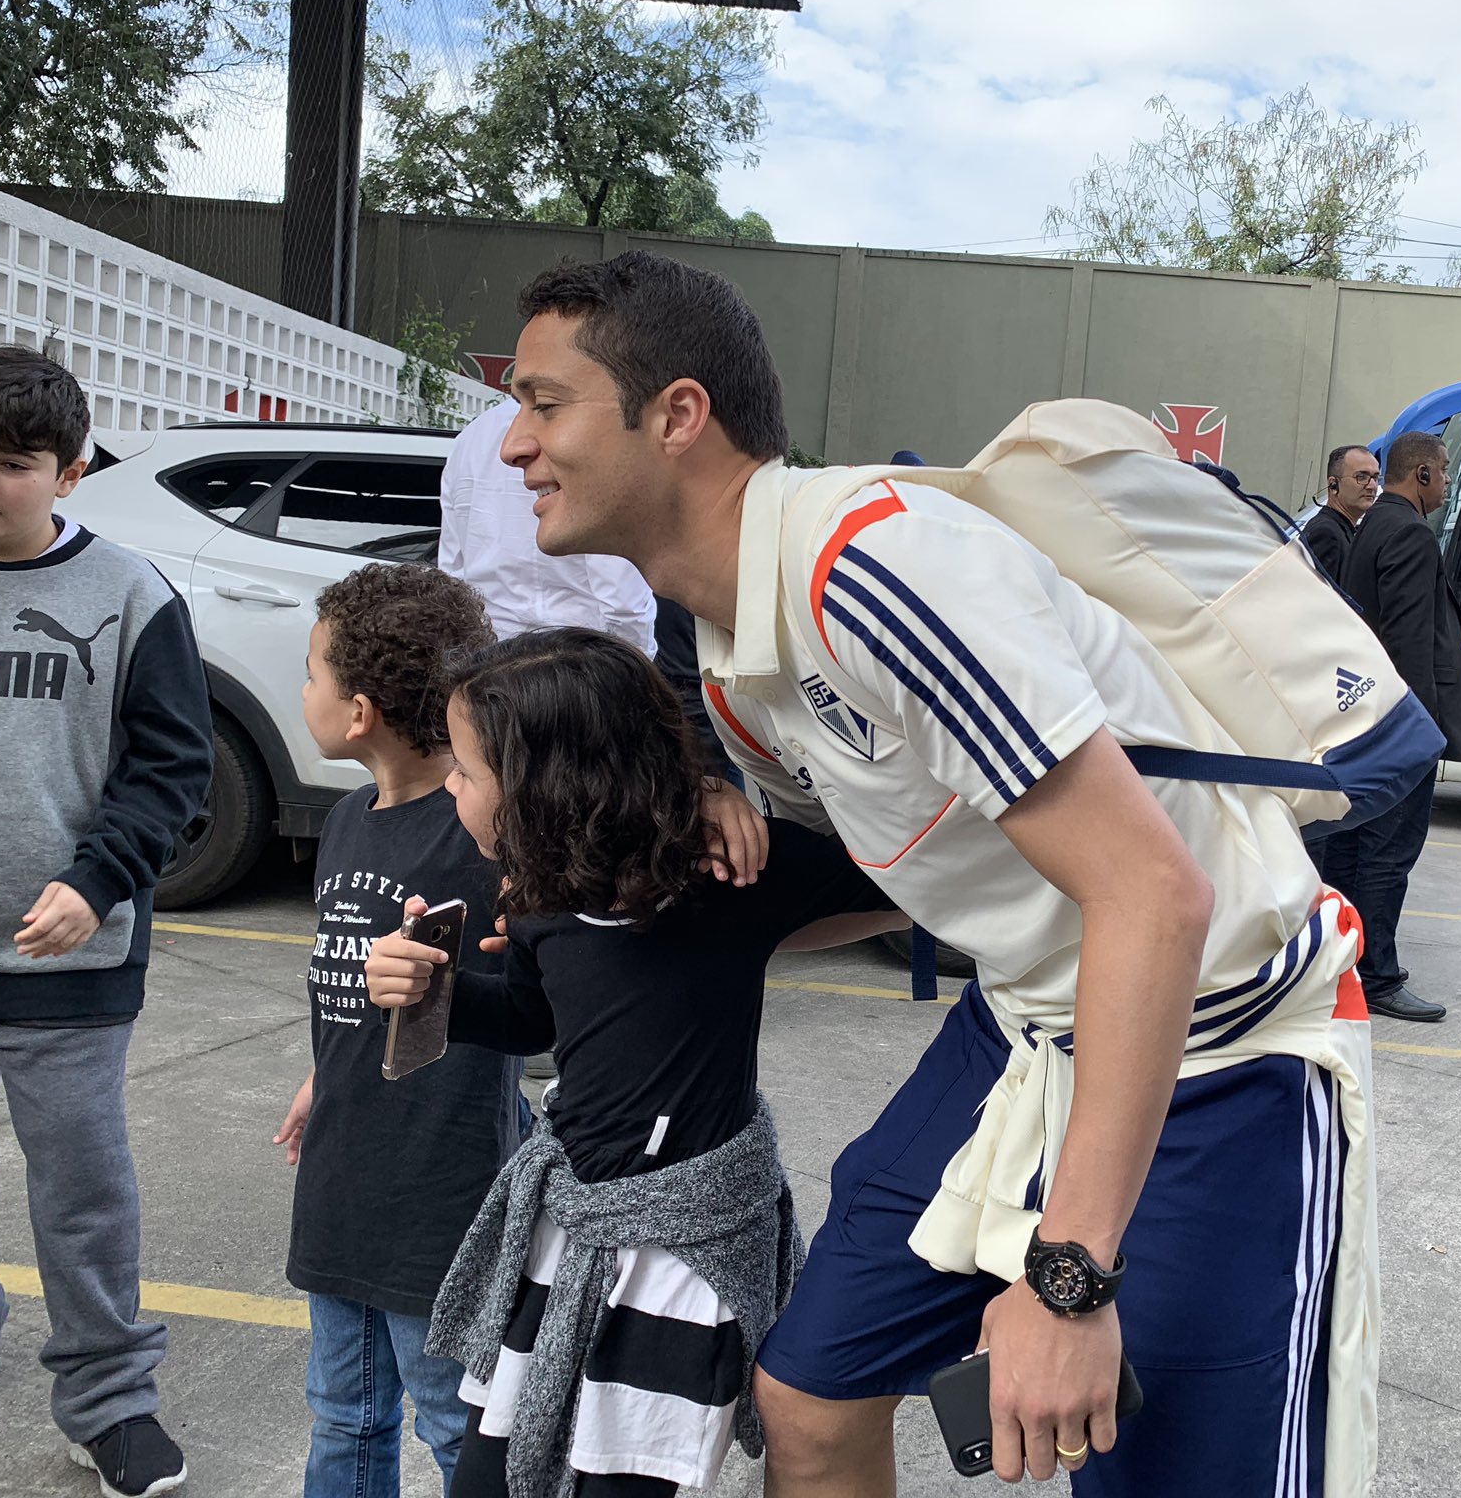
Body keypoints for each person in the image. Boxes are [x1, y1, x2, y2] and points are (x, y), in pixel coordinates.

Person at [492, 252, 1380, 1497]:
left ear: (677, 414)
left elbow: (1154, 893)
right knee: (808, 1395)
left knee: (1155, 1469)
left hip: (1213, 1045)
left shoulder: (873, 569)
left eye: (543, 404)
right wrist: (608, 900)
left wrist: (1066, 1283)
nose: (511, 446)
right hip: (1021, 1024)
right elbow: (892, 866)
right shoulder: (734, 648)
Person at [362, 628, 903, 1498]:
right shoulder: (535, 893)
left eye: (464, 771)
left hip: (684, 1258)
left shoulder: (727, 879)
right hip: (566, 1229)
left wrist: (719, 792)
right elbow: (534, 1020)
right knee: (489, 1480)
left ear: (547, 788)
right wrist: (434, 994)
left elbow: (905, 873)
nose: (449, 787)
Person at [0, 346, 211, 1497]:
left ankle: (110, 1400)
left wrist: (99, 882)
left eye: (12, 463)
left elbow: (172, 770)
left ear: (72, 472)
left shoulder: (131, 595)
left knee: (81, 1193)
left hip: (68, 952)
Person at [266, 562, 523, 1497]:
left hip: (438, 1183)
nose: (304, 690)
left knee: (454, 1418)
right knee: (344, 1409)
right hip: (345, 1174)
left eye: (311, 674)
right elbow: (346, 986)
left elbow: (525, 997)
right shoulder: (345, 821)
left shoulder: (480, 828)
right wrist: (323, 1074)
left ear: (360, 711)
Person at [1319, 431, 1461, 1025]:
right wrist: (1418, 733)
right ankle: (1377, 978)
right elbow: (1409, 642)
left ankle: (1339, 966)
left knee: (1352, 845)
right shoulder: (1410, 533)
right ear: (1422, 474)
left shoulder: (1370, 526)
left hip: (1366, 718)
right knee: (1388, 854)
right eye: (1444, 471)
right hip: (1398, 723)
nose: (1448, 484)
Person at [438, 394, 656, 654]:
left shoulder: (471, 437)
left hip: (489, 650)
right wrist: (637, 657)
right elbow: (620, 592)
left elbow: (451, 571)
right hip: (579, 655)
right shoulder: (590, 428)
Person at [1302, 445, 1380, 580]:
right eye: (1361, 477)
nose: (1372, 486)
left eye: (1375, 477)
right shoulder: (1326, 533)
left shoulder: (1346, 530)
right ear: (1333, 485)